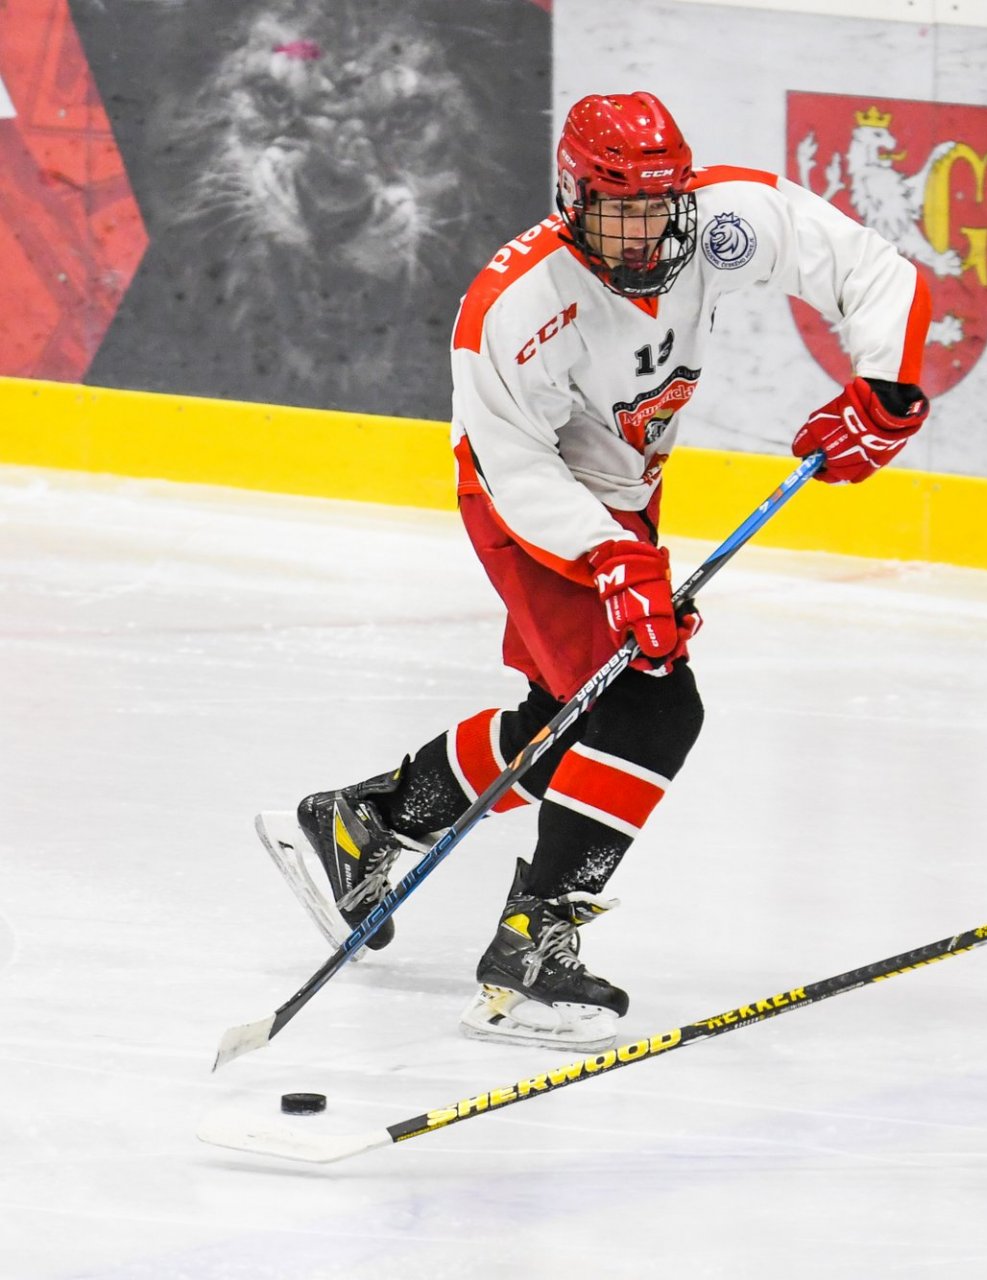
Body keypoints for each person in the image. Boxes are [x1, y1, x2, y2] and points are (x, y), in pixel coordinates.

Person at [256, 91, 931, 1051]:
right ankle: (530, 951)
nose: (643, 232)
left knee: (568, 722)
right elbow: (514, 466)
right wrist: (611, 558)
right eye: (619, 212)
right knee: (650, 711)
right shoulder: (516, 304)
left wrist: (887, 388)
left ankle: (363, 822)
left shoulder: (720, 223)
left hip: (627, 497)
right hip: (534, 512)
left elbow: (870, 268)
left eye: (658, 208)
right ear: (573, 199)